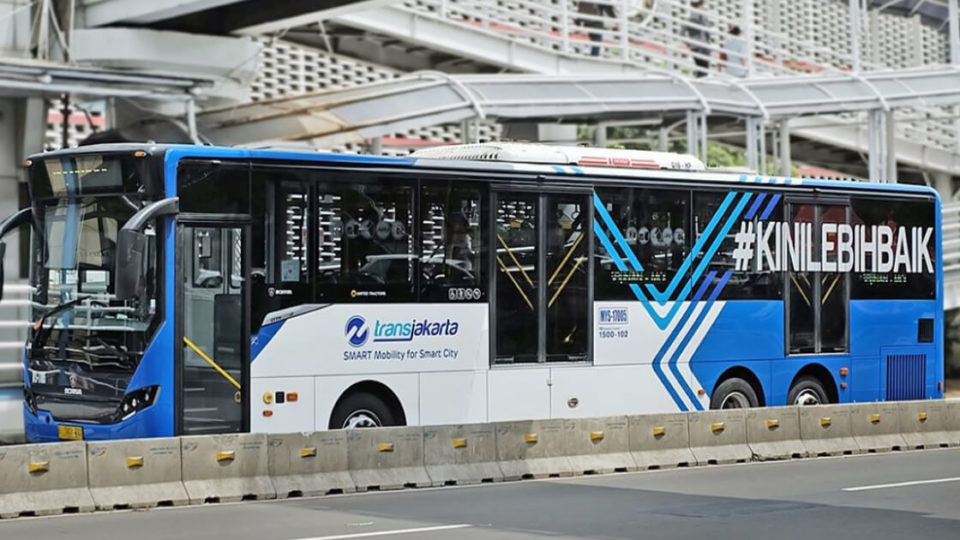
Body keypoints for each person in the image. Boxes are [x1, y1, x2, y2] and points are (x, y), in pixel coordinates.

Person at [683, 0, 712, 77]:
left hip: (694, 46)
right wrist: (709, 41)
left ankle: (699, 81)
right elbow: (707, 30)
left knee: (699, 68)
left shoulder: (689, 18)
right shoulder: (703, 17)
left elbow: (681, 32)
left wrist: (687, 43)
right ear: (699, 6)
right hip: (703, 44)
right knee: (705, 69)